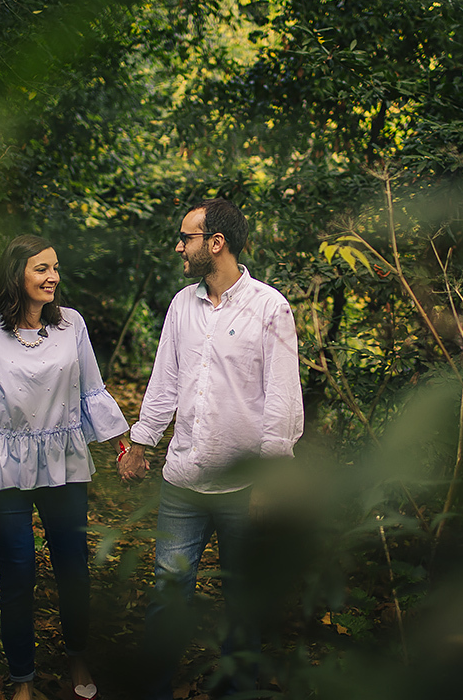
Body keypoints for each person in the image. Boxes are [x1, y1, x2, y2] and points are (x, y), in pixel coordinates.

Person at [119, 198, 304, 699]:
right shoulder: (183, 304)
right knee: (167, 596)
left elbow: (283, 401)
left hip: (245, 489)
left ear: (215, 243)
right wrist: (141, 441)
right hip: (183, 481)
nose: (180, 247)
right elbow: (165, 381)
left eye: (186, 238)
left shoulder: (270, 307)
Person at [0, 235, 129, 700]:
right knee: (17, 575)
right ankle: (22, 680)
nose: (53, 278)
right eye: (41, 269)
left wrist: (124, 443)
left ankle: (78, 657)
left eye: (56, 268)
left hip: (64, 464)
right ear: (16, 275)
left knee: (73, 570)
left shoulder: (72, 325)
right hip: (5, 470)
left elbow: (91, 389)